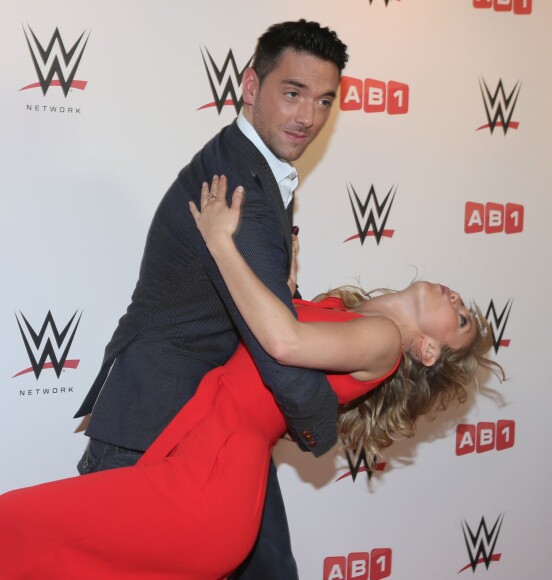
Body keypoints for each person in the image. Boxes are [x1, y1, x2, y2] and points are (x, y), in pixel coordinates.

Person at [0, 176, 502, 578]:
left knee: (18, 529)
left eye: (461, 320)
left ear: (429, 350)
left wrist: (221, 243)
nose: (457, 300)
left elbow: (281, 342)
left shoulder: (386, 343)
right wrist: (281, 272)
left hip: (208, 491)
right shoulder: (347, 315)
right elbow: (275, 334)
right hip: (197, 462)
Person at [73, 20, 348, 578]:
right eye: (292, 94)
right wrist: (332, 423)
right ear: (251, 86)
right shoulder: (237, 185)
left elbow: (265, 309)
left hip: (210, 428)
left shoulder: (258, 169)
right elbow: (279, 344)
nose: (308, 119)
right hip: (153, 431)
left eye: (323, 101)